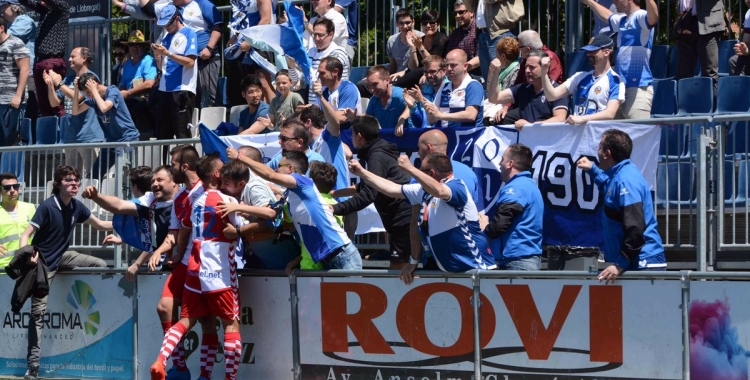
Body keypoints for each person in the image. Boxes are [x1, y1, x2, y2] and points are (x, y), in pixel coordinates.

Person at [150, 155, 243, 380]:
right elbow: (239, 229)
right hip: (219, 270)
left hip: (194, 269)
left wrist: (180, 254)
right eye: (222, 169)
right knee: (231, 325)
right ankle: (229, 378)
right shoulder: (225, 200)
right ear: (217, 174)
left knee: (189, 321)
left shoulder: (196, 201)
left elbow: (185, 230)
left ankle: (162, 360)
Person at [19, 165, 112, 380]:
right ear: (58, 183)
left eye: (76, 181)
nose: (74, 184)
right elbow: (26, 235)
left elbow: (99, 225)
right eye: (69, 180)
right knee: (37, 315)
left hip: (63, 257)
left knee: (101, 265)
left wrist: (129, 221)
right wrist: (27, 255)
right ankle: (33, 366)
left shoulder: (77, 206)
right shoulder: (47, 206)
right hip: (41, 265)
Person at [349, 153, 495, 282]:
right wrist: (362, 173)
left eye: (421, 170)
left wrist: (410, 169)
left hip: (477, 270)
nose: (418, 173)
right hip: (453, 273)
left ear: (431, 173)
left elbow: (440, 190)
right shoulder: (423, 192)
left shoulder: (457, 186)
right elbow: (391, 189)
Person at [227, 148, 363, 270]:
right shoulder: (291, 198)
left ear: (291, 169)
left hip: (342, 253)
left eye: (279, 166)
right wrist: (245, 211)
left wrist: (240, 157)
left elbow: (270, 175)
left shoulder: (303, 181)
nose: (275, 169)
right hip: (324, 258)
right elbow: (275, 219)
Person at [147, 145, 217, 380]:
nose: (171, 166)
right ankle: (180, 366)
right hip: (186, 262)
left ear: (184, 166)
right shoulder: (180, 197)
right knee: (164, 307)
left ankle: (205, 375)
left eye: (173, 163)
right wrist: (161, 251)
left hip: (208, 262)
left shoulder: (206, 189)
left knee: (207, 319)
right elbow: (174, 233)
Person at [576, 129, 667, 283]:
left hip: (641, 266)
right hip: (632, 265)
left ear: (607, 154)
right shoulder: (620, 176)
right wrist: (593, 170)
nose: (597, 152)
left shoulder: (625, 180)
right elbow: (610, 190)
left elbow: (636, 228)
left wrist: (620, 264)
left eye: (599, 147)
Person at [332, 115, 412, 269]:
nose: (351, 138)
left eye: (352, 134)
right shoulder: (379, 151)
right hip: (402, 216)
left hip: (402, 217)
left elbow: (369, 193)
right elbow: (366, 186)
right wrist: (334, 193)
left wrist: (337, 209)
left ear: (359, 136)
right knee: (405, 268)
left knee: (399, 269)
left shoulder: (376, 157)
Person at [82, 165, 177, 281]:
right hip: (165, 267)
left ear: (174, 181)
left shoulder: (186, 199)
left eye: (160, 180)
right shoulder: (150, 202)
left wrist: (138, 263)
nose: (155, 184)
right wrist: (96, 196)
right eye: (153, 181)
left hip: (188, 265)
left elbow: (172, 236)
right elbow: (119, 206)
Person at [218, 157, 300, 270]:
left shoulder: (254, 188)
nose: (222, 187)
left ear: (241, 183)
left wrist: (238, 210)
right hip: (268, 259)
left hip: (282, 257)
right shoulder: (242, 190)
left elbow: (271, 215)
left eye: (226, 183)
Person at [582, 0, 658, 119]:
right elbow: (607, 16)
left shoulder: (640, 16)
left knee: (638, 135)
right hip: (620, 88)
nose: (614, 2)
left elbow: (653, 18)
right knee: (616, 136)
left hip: (637, 89)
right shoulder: (623, 20)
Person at [141, 0, 223, 108]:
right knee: (193, 99)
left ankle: (213, 124)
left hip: (205, 60)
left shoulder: (202, 3)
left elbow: (218, 25)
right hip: (184, 63)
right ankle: (194, 124)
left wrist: (209, 48)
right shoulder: (171, 7)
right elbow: (147, 9)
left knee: (209, 97)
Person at [478, 144, 543, 270]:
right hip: (523, 260)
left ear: (510, 164)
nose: (499, 163)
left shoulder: (515, 188)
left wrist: (485, 227)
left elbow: (499, 225)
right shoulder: (529, 185)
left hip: (516, 262)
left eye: (502, 159)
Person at [43, 47, 104, 178]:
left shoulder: (91, 78)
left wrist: (59, 83)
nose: (69, 59)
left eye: (73, 56)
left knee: (92, 175)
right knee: (71, 176)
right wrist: (50, 85)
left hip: (88, 136)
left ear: (84, 58)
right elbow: (54, 103)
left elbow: (78, 97)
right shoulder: (68, 79)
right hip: (71, 135)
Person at [540, 34, 625, 125]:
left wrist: (582, 119)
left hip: (598, 134)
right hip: (578, 134)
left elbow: (610, 114)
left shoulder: (616, 80)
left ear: (606, 52)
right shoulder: (580, 76)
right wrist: (544, 72)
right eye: (588, 51)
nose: (588, 54)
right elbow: (551, 96)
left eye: (593, 51)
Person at [74, 72, 141, 178]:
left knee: (126, 177)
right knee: (93, 176)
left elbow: (104, 107)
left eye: (88, 92)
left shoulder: (113, 91)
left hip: (127, 139)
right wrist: (76, 91)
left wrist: (94, 91)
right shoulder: (93, 99)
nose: (88, 95)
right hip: (111, 142)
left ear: (95, 84)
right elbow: (75, 111)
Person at [150, 4, 198, 141]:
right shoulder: (166, 38)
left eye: (169, 24)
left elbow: (190, 62)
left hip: (182, 89)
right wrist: (158, 56)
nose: (167, 27)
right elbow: (161, 68)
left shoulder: (189, 33)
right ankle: (164, 163)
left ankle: (187, 162)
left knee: (182, 133)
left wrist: (168, 53)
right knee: (163, 135)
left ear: (177, 18)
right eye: (164, 25)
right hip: (164, 89)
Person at [285, 161, 341, 273]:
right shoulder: (336, 205)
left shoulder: (304, 204)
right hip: (330, 264)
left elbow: (281, 220)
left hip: (310, 266)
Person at [488, 50, 568, 129]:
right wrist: (496, 73)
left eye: (532, 67)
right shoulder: (522, 89)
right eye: (526, 67)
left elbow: (559, 119)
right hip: (526, 140)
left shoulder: (558, 91)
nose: (527, 71)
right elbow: (494, 98)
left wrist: (531, 126)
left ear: (545, 68)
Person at [19, 0, 69, 118]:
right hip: (40, 62)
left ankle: (62, 131)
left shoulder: (62, 8)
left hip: (52, 61)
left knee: (56, 103)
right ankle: (47, 133)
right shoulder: (45, 11)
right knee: (43, 105)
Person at [421, 49, 484, 129]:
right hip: (446, 137)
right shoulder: (444, 88)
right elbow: (431, 120)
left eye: (453, 65)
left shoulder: (473, 85)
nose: (449, 68)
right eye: (447, 65)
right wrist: (430, 111)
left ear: (465, 66)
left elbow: (471, 115)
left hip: (468, 137)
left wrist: (441, 115)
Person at [1, 0, 36, 139]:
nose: (2, 10)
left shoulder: (24, 20)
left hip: (27, 76)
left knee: (16, 130)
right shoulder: (10, 24)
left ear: (15, 7)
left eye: (4, 6)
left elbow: (9, 36)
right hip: (12, 82)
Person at [673, 0, 725, 92]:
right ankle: (685, 105)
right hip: (684, 19)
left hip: (708, 21)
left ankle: (712, 105)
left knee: (709, 73)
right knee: (683, 72)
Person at [119, 30, 158, 140]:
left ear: (143, 46)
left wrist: (128, 93)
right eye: (132, 45)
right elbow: (123, 84)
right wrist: (121, 93)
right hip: (128, 100)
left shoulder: (148, 61)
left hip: (144, 102)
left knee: (135, 108)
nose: (135, 48)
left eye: (138, 45)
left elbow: (149, 83)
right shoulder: (127, 65)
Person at [307, 17, 350, 106]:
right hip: (314, 108)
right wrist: (292, 66)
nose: (317, 39)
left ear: (331, 35)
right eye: (315, 35)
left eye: (321, 35)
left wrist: (303, 64)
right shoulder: (311, 52)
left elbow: (324, 77)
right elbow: (298, 81)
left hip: (334, 105)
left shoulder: (338, 52)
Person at [476, 0, 524, 80]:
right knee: (488, 78)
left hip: (501, 31)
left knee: (505, 75)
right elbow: (469, 6)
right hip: (483, 32)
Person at [0, 16, 29, 147]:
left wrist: (18, 96)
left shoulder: (15, 43)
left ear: (1, 28)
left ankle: (13, 168)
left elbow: (25, 69)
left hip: (10, 102)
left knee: (12, 140)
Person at [0, 173, 35, 269]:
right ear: (0, 191)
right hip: (4, 266)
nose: (12, 190)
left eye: (15, 187)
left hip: (28, 263)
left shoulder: (30, 208)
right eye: (7, 188)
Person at [316, 56, 361, 130]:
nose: (319, 76)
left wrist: (318, 117)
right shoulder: (325, 91)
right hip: (330, 134)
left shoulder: (348, 88)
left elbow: (339, 118)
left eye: (322, 73)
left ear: (335, 72)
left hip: (347, 136)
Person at [364, 65, 411, 135]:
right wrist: (354, 118)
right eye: (369, 86)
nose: (371, 90)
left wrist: (402, 119)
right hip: (388, 141)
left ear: (387, 80)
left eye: (375, 84)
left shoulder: (400, 95)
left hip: (407, 139)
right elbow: (368, 121)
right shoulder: (373, 100)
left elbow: (411, 106)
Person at [405, 55, 447, 128]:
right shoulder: (424, 93)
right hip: (424, 136)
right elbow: (420, 124)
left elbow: (440, 121)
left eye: (433, 71)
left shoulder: (450, 90)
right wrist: (412, 107)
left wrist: (422, 100)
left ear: (443, 71)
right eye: (426, 72)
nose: (429, 75)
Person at [387, 8, 424, 83]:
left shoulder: (421, 38)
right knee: (363, 84)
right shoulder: (392, 41)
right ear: (396, 24)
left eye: (408, 23)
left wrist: (412, 46)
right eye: (401, 23)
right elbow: (393, 66)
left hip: (414, 77)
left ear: (413, 22)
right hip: (396, 77)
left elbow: (416, 67)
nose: (405, 26)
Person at [444, 0, 480, 76]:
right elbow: (448, 57)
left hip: (476, 75)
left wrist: (461, 69)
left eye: (461, 12)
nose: (457, 16)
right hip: (456, 75)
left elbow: (480, 58)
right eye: (455, 13)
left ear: (471, 12)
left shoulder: (479, 30)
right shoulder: (455, 34)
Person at [729, 0, 750, 76]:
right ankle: (740, 87)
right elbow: (747, 43)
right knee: (734, 60)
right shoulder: (749, 14)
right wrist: (745, 49)